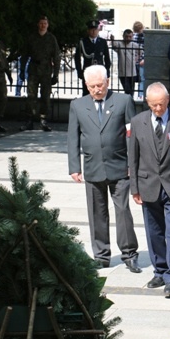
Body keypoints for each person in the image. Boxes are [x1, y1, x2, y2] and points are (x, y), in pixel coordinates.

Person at [67, 65, 141, 274]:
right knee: (96, 212)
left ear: (107, 82)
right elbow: (73, 137)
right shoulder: (78, 105)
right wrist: (74, 166)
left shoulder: (123, 101)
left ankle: (129, 254)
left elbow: (131, 134)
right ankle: (101, 255)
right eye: (91, 86)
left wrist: (131, 164)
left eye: (99, 85)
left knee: (123, 210)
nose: (96, 90)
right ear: (86, 85)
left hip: (119, 166)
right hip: (92, 167)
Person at [128, 82, 170, 297]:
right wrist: (135, 188)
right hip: (148, 186)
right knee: (154, 232)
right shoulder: (138, 122)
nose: (158, 109)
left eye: (162, 104)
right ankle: (160, 270)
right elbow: (133, 157)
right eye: (154, 105)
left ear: (168, 100)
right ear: (147, 103)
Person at [19, 16, 60, 132]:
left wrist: (55, 74)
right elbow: (24, 55)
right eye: (41, 23)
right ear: (38, 24)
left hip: (46, 70)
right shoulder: (31, 37)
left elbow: (56, 57)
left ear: (48, 25)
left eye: (45, 23)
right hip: (33, 69)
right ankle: (29, 121)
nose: (43, 25)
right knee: (31, 96)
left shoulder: (51, 38)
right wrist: (22, 70)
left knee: (45, 96)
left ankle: (43, 120)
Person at [75, 19, 112, 96]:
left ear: (98, 30)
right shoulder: (83, 42)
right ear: (88, 30)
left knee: (100, 92)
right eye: (91, 29)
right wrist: (80, 72)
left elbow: (107, 58)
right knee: (87, 93)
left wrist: (107, 71)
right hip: (87, 71)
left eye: (95, 29)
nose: (93, 31)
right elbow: (77, 58)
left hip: (100, 71)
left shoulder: (102, 42)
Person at [111, 29, 141, 96]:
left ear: (132, 36)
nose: (128, 38)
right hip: (123, 72)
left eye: (130, 37)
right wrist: (112, 40)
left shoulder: (134, 45)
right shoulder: (119, 44)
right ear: (123, 36)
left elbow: (140, 52)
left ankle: (130, 103)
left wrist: (137, 58)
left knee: (131, 91)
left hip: (132, 72)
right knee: (127, 91)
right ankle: (129, 104)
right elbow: (114, 45)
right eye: (126, 36)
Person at [132, 22, 146, 100]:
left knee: (132, 79)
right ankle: (140, 96)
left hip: (133, 61)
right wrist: (144, 59)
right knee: (142, 79)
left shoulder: (132, 36)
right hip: (141, 61)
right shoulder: (144, 36)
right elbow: (146, 48)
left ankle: (131, 95)